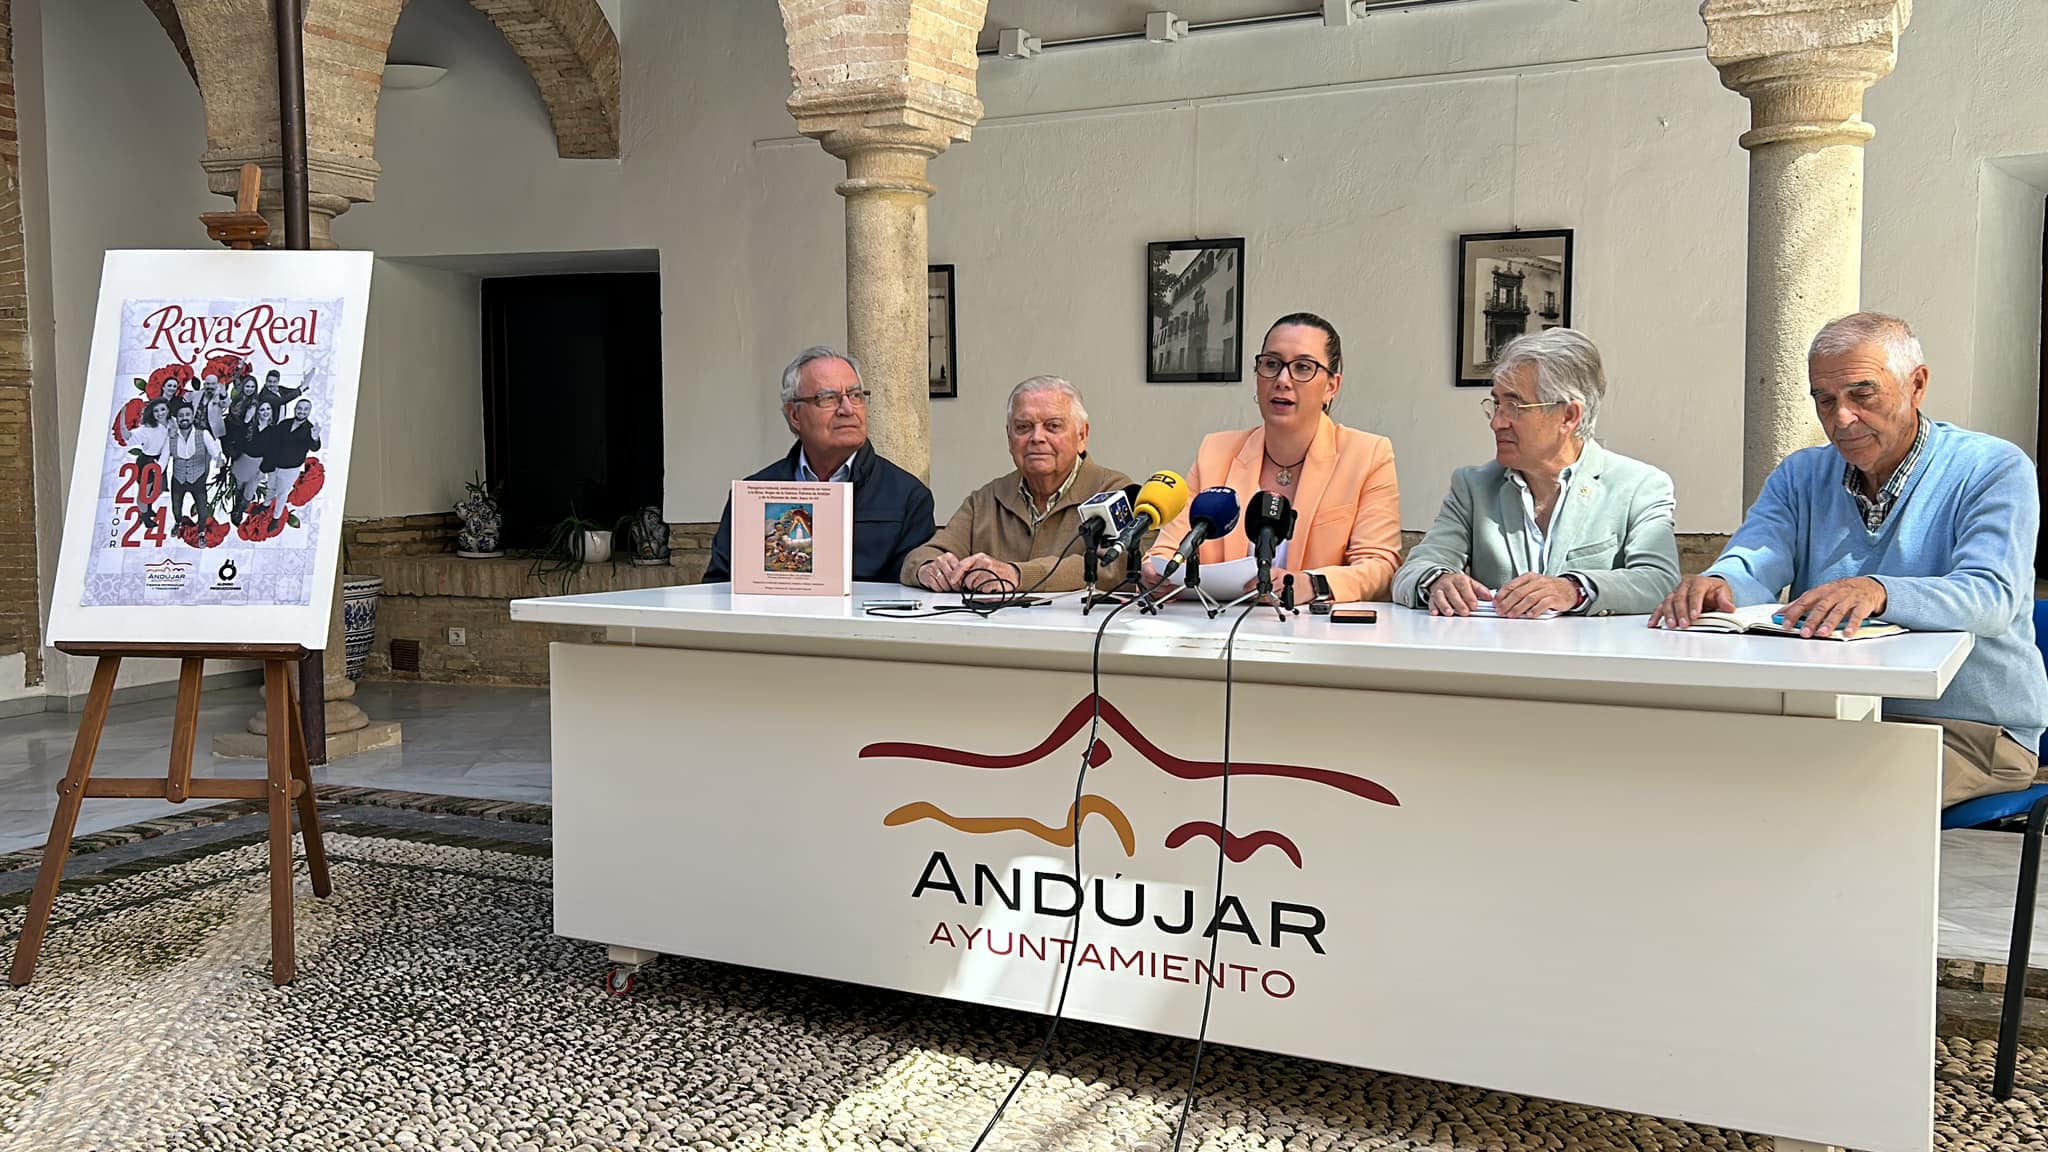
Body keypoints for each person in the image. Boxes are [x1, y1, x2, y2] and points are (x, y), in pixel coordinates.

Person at [1651, 312, 2048, 806]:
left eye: (1863, 394)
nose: (1841, 418)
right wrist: (1720, 584)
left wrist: (1879, 591)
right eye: (1825, 399)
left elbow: (1992, 596)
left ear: (1916, 385)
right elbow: (1755, 561)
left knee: (1823, 801)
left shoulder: (1992, 467)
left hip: (1968, 730)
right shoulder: (1801, 474)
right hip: (1828, 713)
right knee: (1690, 774)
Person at [1393, 328, 1679, 617]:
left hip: (1592, 658)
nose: (1496, 422)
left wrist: (1573, 590)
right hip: (1495, 658)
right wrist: (1437, 581)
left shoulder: (1639, 486)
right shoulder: (1473, 486)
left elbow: (1659, 581)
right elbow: (1411, 572)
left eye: (1515, 406)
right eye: (1496, 404)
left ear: (1568, 416)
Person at [1145, 312, 1401, 603]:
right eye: (1271, 364)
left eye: (1303, 367)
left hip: (1318, 635)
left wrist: (1311, 584)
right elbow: (1167, 550)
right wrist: (1155, 571)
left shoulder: (1368, 455)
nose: (1282, 379)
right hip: (1220, 627)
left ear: (1331, 386)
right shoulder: (1215, 451)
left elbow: (1380, 566)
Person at [704, 347, 935, 583]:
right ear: (795, 415)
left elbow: (909, 599)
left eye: (855, 395)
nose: (847, 409)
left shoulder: (908, 498)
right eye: (828, 398)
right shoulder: (755, 495)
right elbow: (719, 586)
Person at [900, 376, 1132, 593]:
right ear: (1010, 439)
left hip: (1084, 634)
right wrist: (928, 569)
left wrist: (1017, 575)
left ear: (1082, 436)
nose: (1037, 437)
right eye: (1023, 427)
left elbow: (1115, 568)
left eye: (1052, 426)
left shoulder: (1114, 491)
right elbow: (922, 556)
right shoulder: (986, 500)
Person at [159, 402, 222, 528]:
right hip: (178, 479)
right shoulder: (170, 438)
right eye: (181, 415)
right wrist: (154, 472)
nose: (184, 418)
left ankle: (201, 530)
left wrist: (219, 460)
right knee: (176, 507)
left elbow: (215, 452)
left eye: (187, 414)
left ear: (193, 417)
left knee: (202, 507)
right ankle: (178, 523)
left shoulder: (203, 434)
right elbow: (163, 461)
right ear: (177, 418)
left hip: (198, 479)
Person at [258, 397, 321, 521]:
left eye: (305, 409)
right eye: (299, 408)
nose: (302, 411)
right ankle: (266, 505)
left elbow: (314, 447)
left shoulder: (310, 429)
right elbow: (273, 441)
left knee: (282, 494)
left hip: (290, 469)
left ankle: (276, 518)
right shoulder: (285, 423)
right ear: (295, 409)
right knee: (271, 487)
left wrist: (315, 438)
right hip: (275, 465)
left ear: (309, 412)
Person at [228, 399, 274, 523]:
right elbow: (238, 440)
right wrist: (246, 421)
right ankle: (235, 508)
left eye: (268, 409)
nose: (265, 412)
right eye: (262, 409)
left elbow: (271, 453)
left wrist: (263, 470)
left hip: (258, 465)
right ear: (257, 412)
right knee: (239, 488)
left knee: (249, 492)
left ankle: (239, 512)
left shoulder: (273, 431)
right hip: (244, 462)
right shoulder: (249, 427)